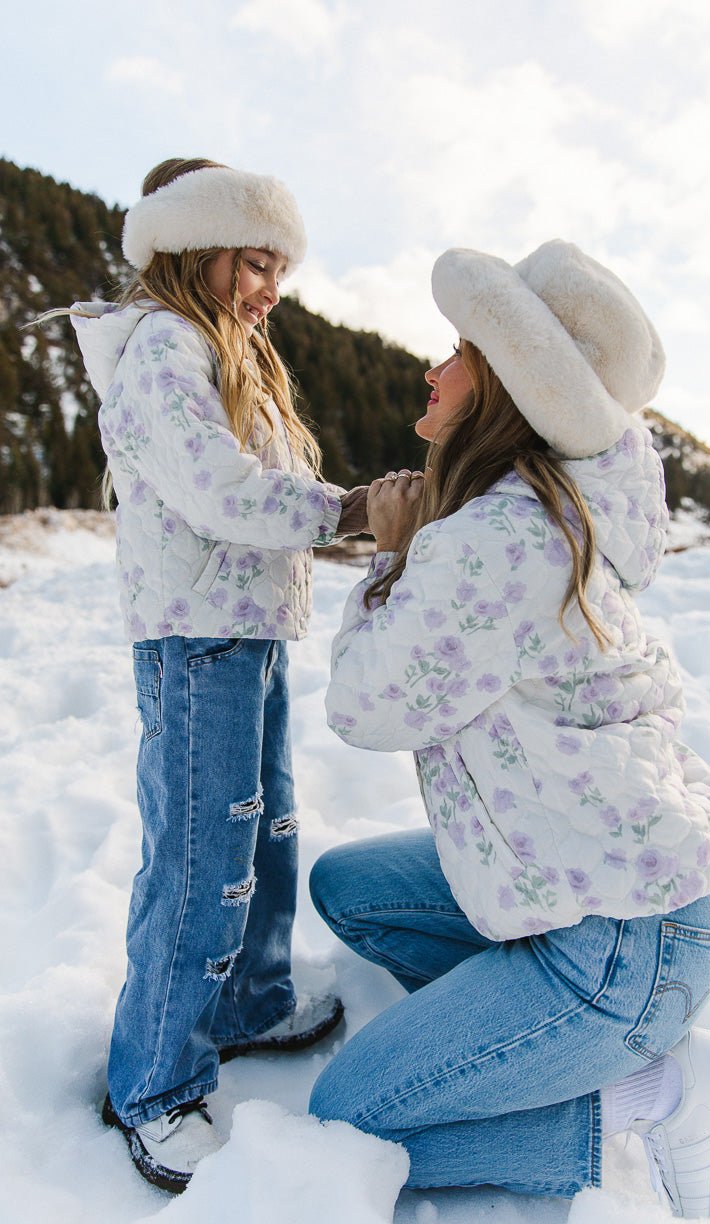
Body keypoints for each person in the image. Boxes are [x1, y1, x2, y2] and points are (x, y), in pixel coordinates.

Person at [309, 241, 710, 1222]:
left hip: (618, 949)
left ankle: (651, 1092)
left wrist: (392, 561)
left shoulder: (499, 542)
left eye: (456, 350)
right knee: (350, 890)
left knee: (347, 1118)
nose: (432, 370)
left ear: (508, 384)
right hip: (615, 894)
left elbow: (365, 707)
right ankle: (524, 1042)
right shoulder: (530, 516)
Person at [60, 158, 368, 1192]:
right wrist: (348, 510)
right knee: (201, 851)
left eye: (281, 266)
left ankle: (247, 998)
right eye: (254, 261)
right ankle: (153, 1080)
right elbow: (221, 490)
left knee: (263, 826)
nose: (271, 287)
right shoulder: (163, 348)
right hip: (196, 642)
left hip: (246, 632)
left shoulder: (230, 351)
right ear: (195, 248)